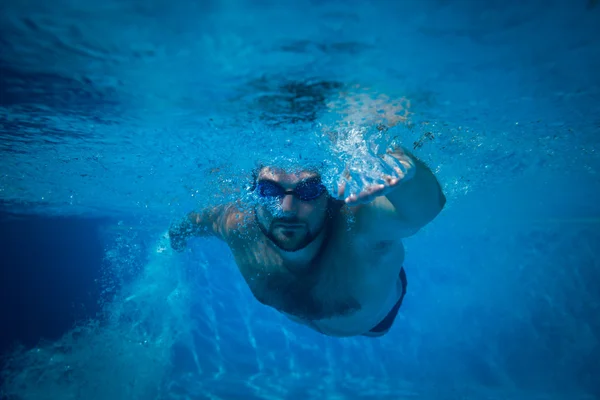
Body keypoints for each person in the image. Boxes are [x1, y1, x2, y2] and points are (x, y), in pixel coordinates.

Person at [169, 146, 446, 337]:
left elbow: (422, 211)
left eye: (309, 189)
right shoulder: (237, 225)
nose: (287, 208)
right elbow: (194, 222)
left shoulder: (358, 227)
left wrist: (407, 175)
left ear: (328, 196)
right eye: (269, 190)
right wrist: (176, 237)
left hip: (375, 321)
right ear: (253, 193)